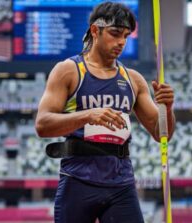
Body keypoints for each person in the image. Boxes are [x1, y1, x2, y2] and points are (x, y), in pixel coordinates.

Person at [35, 2, 175, 223]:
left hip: (121, 183)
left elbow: (161, 133)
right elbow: (42, 124)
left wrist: (167, 108)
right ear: (95, 30)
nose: (121, 42)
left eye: (126, 36)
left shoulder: (133, 79)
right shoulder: (68, 71)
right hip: (78, 180)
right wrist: (87, 115)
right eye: (115, 33)